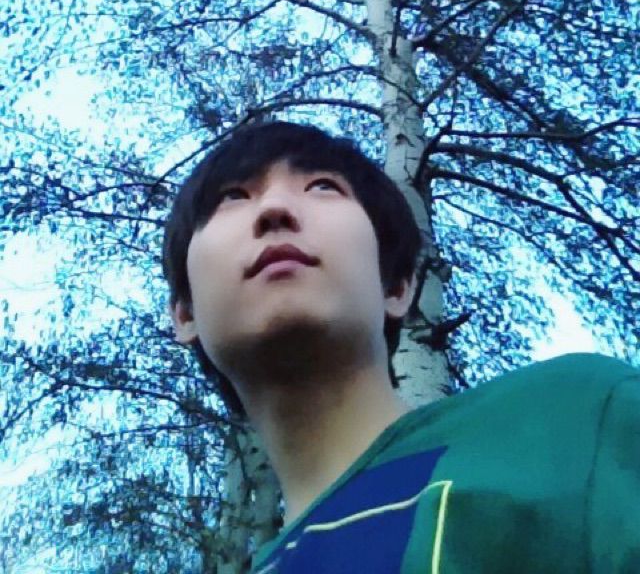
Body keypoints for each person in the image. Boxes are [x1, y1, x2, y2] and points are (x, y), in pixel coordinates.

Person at [162, 121, 640, 573]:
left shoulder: (574, 421)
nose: (275, 209)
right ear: (185, 314)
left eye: (323, 187)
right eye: (233, 197)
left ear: (396, 287)